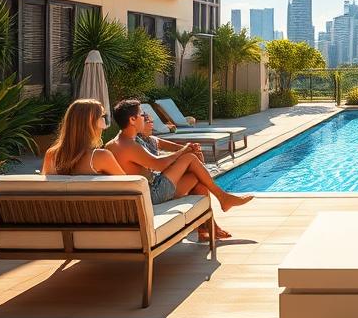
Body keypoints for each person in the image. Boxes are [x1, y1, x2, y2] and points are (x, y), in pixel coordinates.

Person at [106, 99, 250, 240]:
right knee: (190, 159)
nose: (145, 118)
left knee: (199, 180)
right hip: (152, 194)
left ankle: (206, 228)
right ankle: (223, 197)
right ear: (132, 119)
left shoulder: (117, 142)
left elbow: (159, 150)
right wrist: (184, 151)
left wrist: (185, 149)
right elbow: (159, 164)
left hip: (150, 190)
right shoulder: (129, 145)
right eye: (142, 115)